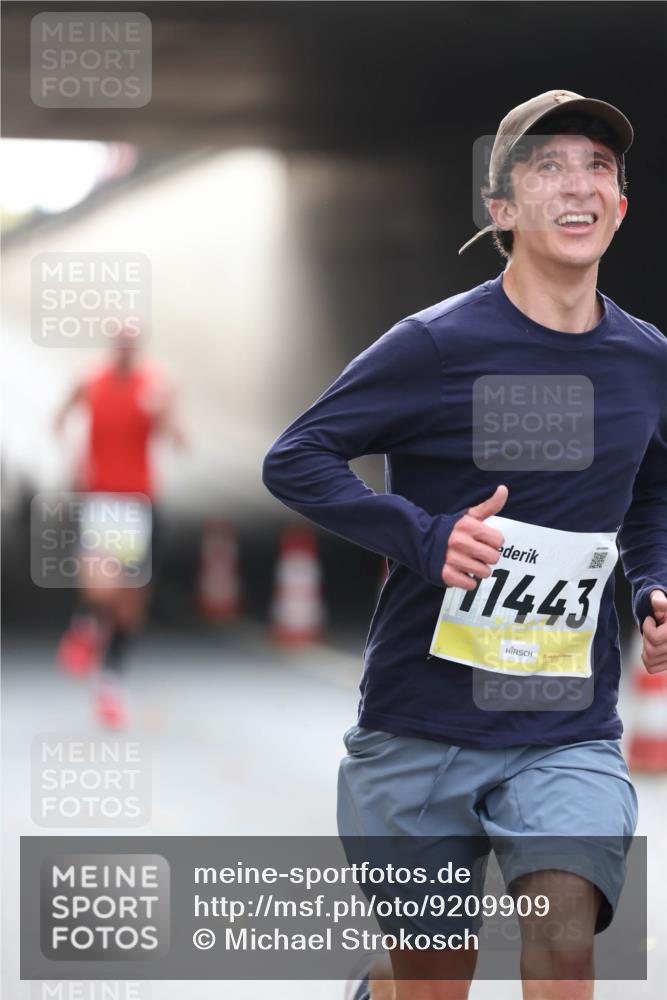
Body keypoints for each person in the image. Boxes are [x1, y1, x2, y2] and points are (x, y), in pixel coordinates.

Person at [262, 89, 667, 1000]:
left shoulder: (646, 362)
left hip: (562, 729)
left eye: (597, 166)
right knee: (430, 981)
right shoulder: (434, 346)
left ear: (620, 206)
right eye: (548, 166)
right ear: (502, 210)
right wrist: (424, 535)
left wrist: (651, 584)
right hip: (420, 725)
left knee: (564, 929)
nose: (578, 184)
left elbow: (650, 490)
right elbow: (297, 458)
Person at [54, 330, 185, 728]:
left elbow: (179, 441)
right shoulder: (89, 381)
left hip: (140, 504)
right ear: (113, 344)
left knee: (130, 607)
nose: (126, 348)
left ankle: (110, 684)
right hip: (102, 501)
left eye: (133, 341)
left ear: (139, 345)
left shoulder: (156, 386)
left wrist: (165, 412)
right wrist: (74, 462)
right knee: (101, 588)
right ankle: (87, 623)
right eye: (120, 340)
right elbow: (59, 421)